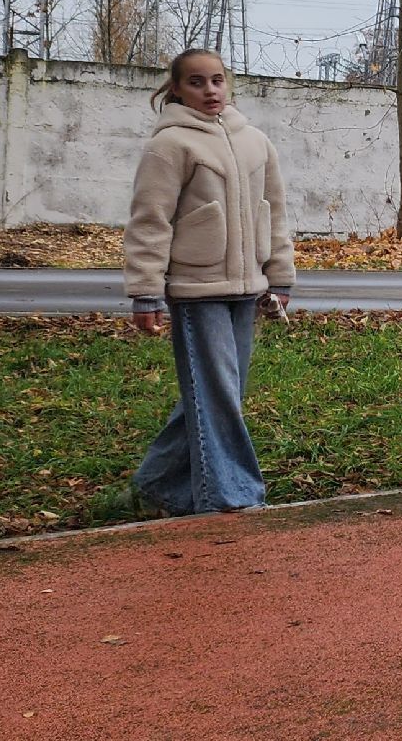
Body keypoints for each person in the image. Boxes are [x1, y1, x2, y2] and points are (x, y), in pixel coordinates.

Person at [121, 48, 294, 516]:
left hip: (247, 287)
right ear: (176, 88)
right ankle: (231, 497)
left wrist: (280, 278)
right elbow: (149, 222)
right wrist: (145, 291)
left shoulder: (256, 141)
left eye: (217, 80)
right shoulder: (170, 145)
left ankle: (157, 484)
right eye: (196, 82)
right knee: (216, 393)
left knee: (218, 393)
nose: (210, 90)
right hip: (195, 290)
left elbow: (274, 214)